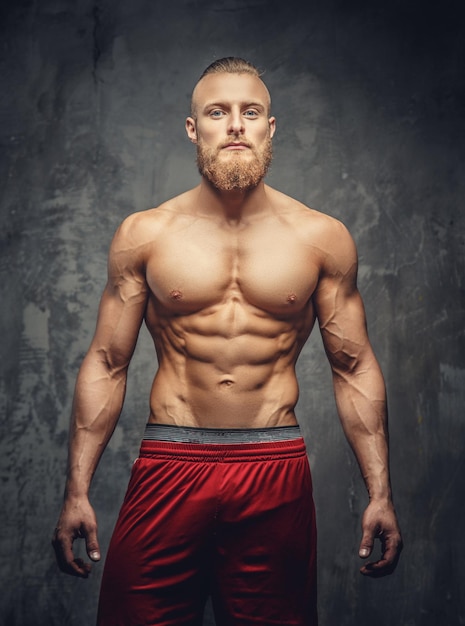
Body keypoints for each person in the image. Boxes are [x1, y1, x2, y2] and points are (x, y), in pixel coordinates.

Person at [52, 57, 402, 625]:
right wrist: (77, 491)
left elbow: (354, 365)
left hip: (272, 467)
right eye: (218, 112)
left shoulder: (321, 237)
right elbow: (108, 362)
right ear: (194, 128)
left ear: (270, 127)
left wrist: (380, 492)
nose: (236, 125)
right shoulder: (145, 234)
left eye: (251, 112)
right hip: (170, 462)